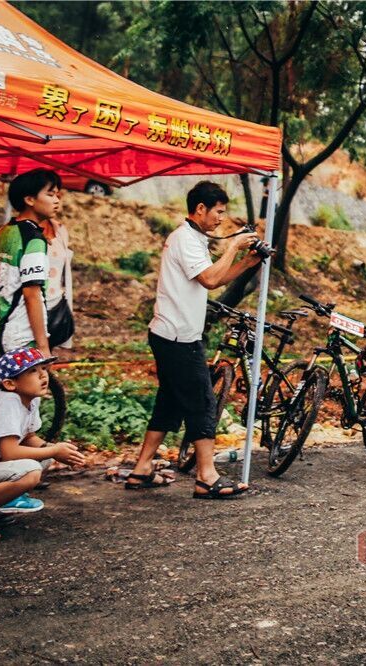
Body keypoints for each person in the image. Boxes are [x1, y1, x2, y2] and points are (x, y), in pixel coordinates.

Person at [126, 181, 262, 498]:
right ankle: (206, 477)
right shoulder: (185, 239)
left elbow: (212, 280)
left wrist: (246, 263)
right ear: (200, 208)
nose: (221, 219)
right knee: (202, 401)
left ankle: (141, 469)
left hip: (171, 334)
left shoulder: (193, 238)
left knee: (170, 402)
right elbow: (210, 278)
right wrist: (233, 247)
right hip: (178, 338)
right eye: (218, 212)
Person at [0, 347, 86, 543]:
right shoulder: (8, 403)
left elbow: (28, 437)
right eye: (32, 371)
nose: (43, 375)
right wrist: (54, 450)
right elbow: (10, 452)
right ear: (10, 384)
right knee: (30, 471)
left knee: (44, 457)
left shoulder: (29, 399)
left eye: (43, 368)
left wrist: (60, 452)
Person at [0, 169, 61, 405]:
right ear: (29, 199)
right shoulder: (33, 239)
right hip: (17, 336)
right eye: (50, 194)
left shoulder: (4, 232)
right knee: (7, 401)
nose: (56, 200)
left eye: (57, 195)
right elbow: (32, 294)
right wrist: (43, 346)